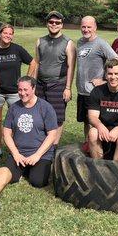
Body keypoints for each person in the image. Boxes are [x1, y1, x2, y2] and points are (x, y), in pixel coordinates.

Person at [0, 24, 36, 161]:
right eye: (5, 33)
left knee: (17, 121)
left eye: (10, 33)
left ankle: (16, 148)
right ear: (0, 34)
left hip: (15, 93)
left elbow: (33, 62)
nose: (8, 36)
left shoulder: (17, 49)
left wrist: (25, 80)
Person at [3, 76, 58, 188]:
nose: (22, 93)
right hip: (19, 153)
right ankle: (25, 168)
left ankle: (32, 169)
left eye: (25, 90)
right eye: (20, 90)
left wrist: (37, 155)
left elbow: (52, 134)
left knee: (38, 182)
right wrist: (16, 154)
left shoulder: (46, 107)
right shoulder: (13, 108)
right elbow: (6, 133)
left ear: (33, 89)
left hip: (40, 154)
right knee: (9, 178)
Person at [35, 11, 76, 147]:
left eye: (57, 22)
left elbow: (71, 66)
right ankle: (42, 143)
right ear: (47, 23)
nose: (54, 24)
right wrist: (33, 84)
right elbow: (36, 64)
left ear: (62, 25)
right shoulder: (40, 41)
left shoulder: (68, 43)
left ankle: (54, 146)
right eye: (51, 22)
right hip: (40, 84)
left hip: (58, 85)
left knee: (57, 118)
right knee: (41, 115)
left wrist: (68, 88)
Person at [76, 16, 118, 137]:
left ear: (95, 27)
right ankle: (87, 145)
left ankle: (96, 148)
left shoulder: (100, 43)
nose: (86, 29)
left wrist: (104, 79)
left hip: (94, 92)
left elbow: (115, 60)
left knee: (94, 122)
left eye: (89, 27)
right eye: (83, 27)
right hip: (82, 91)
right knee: (85, 121)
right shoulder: (80, 42)